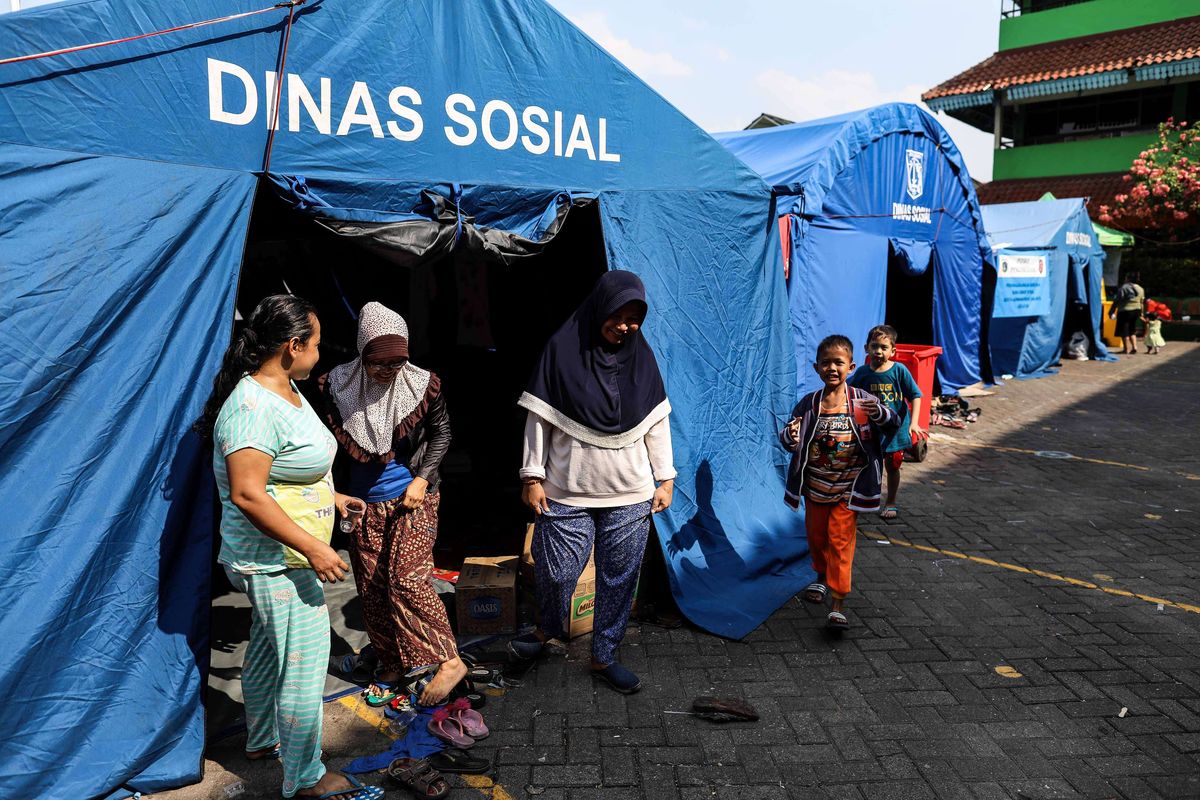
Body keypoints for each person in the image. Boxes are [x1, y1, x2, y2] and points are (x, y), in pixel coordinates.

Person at [197, 295, 382, 800]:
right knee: (304, 663)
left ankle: (260, 740)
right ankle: (305, 777)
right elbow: (248, 492)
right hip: (275, 561)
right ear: (292, 346)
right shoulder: (251, 407)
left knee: (266, 644)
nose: (320, 354)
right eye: (316, 344)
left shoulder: (285, 390)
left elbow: (287, 470)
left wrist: (333, 496)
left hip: (281, 556)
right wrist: (316, 549)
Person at [508, 270, 676, 694]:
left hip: (630, 494)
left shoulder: (642, 358)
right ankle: (546, 629)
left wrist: (665, 478)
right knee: (558, 571)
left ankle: (604, 654)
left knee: (619, 580)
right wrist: (532, 475)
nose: (625, 326)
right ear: (601, 306)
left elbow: (657, 423)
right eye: (618, 315)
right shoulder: (562, 351)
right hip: (567, 491)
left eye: (634, 317)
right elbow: (538, 419)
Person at [317, 302, 466, 707]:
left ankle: (448, 660)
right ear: (362, 353)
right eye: (380, 363)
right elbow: (322, 446)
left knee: (407, 579)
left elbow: (441, 432)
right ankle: (390, 663)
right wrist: (330, 492)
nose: (389, 371)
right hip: (363, 505)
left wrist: (422, 478)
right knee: (372, 588)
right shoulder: (336, 387)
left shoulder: (422, 384)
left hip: (413, 498)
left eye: (397, 362)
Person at [781, 334, 898, 631]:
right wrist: (790, 437)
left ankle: (838, 602)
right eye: (825, 363)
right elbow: (789, 437)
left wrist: (881, 413)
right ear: (816, 368)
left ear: (851, 366)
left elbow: (893, 423)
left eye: (838, 362)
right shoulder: (809, 404)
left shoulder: (862, 401)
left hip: (849, 488)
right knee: (817, 539)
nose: (832, 368)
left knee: (840, 541)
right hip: (816, 489)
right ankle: (821, 577)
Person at [849, 325, 924, 520]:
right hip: (870, 431)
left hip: (894, 431)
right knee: (867, 466)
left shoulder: (899, 371)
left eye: (884, 347)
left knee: (893, 465)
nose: (878, 351)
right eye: (874, 346)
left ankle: (890, 501)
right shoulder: (863, 373)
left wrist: (914, 423)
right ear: (866, 348)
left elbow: (915, 395)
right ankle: (863, 500)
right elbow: (850, 394)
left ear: (893, 351)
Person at [1109, 271, 1145, 354]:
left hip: (1125, 311)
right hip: (1136, 310)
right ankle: (1134, 347)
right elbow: (1142, 302)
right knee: (1132, 329)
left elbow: (1117, 300)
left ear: (1128, 278)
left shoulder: (1124, 287)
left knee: (1124, 330)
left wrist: (1112, 311)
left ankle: (1126, 349)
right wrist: (1141, 313)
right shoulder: (1140, 288)